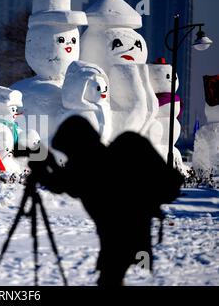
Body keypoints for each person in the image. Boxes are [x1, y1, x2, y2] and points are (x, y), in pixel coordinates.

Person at [29, 115, 184, 286]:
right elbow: (67, 183)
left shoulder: (90, 164)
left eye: (68, 151)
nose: (68, 157)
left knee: (109, 279)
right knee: (110, 278)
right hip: (128, 234)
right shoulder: (100, 158)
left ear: (76, 144)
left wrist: (41, 167)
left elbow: (62, 184)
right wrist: (47, 162)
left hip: (121, 237)